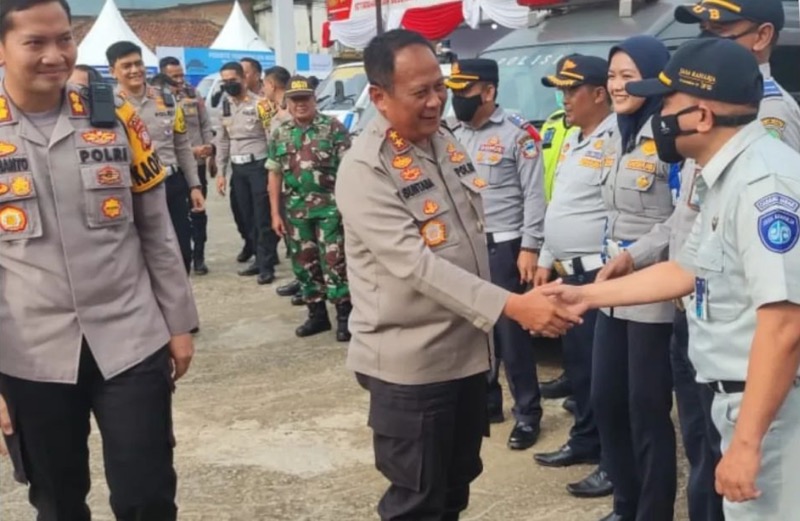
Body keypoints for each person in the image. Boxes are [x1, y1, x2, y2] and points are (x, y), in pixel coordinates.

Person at [545, 36, 800, 521]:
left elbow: (784, 323)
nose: (658, 115)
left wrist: (746, 445)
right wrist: (585, 294)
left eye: (667, 103)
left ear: (701, 116)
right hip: (743, 402)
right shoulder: (722, 175)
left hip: (774, 413)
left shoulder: (765, 186)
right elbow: (686, 268)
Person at [334, 29, 581, 521]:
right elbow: (415, 264)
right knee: (417, 501)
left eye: (439, 88)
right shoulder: (366, 168)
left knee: (455, 488)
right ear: (379, 97)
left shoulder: (442, 140)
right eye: (419, 93)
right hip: (412, 366)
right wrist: (512, 305)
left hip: (465, 355)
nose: (435, 103)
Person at [0, 1, 199, 519]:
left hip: (130, 338)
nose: (55, 55)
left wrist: (179, 324)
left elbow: (156, 228)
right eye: (35, 43)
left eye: (64, 39)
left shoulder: (115, 114)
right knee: (58, 502)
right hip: (30, 355)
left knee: (147, 495)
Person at [588, 35, 677, 521]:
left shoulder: (672, 133)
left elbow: (681, 217)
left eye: (628, 75)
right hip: (610, 288)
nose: (616, 85)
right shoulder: (608, 132)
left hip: (654, 289)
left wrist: (636, 256)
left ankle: (652, 511)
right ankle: (625, 503)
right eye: (612, 75)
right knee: (606, 399)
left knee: (646, 409)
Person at [446, 58, 545, 450]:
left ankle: (528, 413)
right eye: (454, 91)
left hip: (504, 246)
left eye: (465, 91)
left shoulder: (517, 134)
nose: (457, 98)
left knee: (511, 335)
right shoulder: (450, 132)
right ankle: (487, 403)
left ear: (488, 92)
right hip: (465, 245)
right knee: (474, 329)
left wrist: (530, 246)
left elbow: (534, 195)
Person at [531, 54, 615, 499]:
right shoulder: (575, 138)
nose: (564, 99)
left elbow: (617, 213)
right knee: (579, 369)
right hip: (566, 272)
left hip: (596, 276)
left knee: (603, 376)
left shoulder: (616, 140)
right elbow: (560, 204)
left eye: (571, 90)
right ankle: (585, 440)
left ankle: (610, 459)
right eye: (561, 90)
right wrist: (545, 256)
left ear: (599, 94)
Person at [107, 42, 205, 275]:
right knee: (142, 253)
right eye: (126, 66)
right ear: (113, 71)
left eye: (138, 63)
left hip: (171, 184)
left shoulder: (167, 100)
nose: (134, 70)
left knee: (182, 250)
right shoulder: (108, 105)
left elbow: (181, 145)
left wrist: (195, 186)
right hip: (133, 189)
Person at [267, 76, 352, 340]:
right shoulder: (280, 132)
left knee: (335, 263)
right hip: (296, 212)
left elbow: (349, 171)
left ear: (314, 100)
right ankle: (317, 316)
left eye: (306, 99)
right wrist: (275, 213)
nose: (301, 104)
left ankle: (344, 317)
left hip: (331, 209)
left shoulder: (333, 128)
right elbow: (274, 175)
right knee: (304, 264)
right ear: (287, 103)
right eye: (295, 100)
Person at [675, 0, 800, 151]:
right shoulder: (712, 93)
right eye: (703, 28)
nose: (705, 39)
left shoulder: (769, 111)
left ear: (762, 36)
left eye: (718, 29)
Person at [215, 61, 279, 284]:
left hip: (258, 166)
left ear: (244, 78)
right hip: (238, 168)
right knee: (244, 215)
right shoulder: (225, 105)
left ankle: (266, 264)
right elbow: (222, 140)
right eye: (225, 82)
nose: (229, 85)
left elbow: (272, 136)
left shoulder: (261, 104)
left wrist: (273, 170)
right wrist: (221, 172)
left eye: (233, 80)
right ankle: (256, 256)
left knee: (262, 217)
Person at [161, 56, 216, 275]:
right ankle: (179, 256)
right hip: (171, 168)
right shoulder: (158, 100)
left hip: (197, 165)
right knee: (175, 217)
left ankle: (199, 257)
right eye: (174, 76)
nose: (180, 80)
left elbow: (205, 124)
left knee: (198, 212)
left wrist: (209, 149)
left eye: (181, 74)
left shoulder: (194, 95)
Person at [265, 65, 303, 303]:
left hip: (304, 189)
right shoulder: (277, 116)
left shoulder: (290, 117)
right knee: (294, 240)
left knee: (306, 242)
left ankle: (308, 283)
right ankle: (302, 279)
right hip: (287, 189)